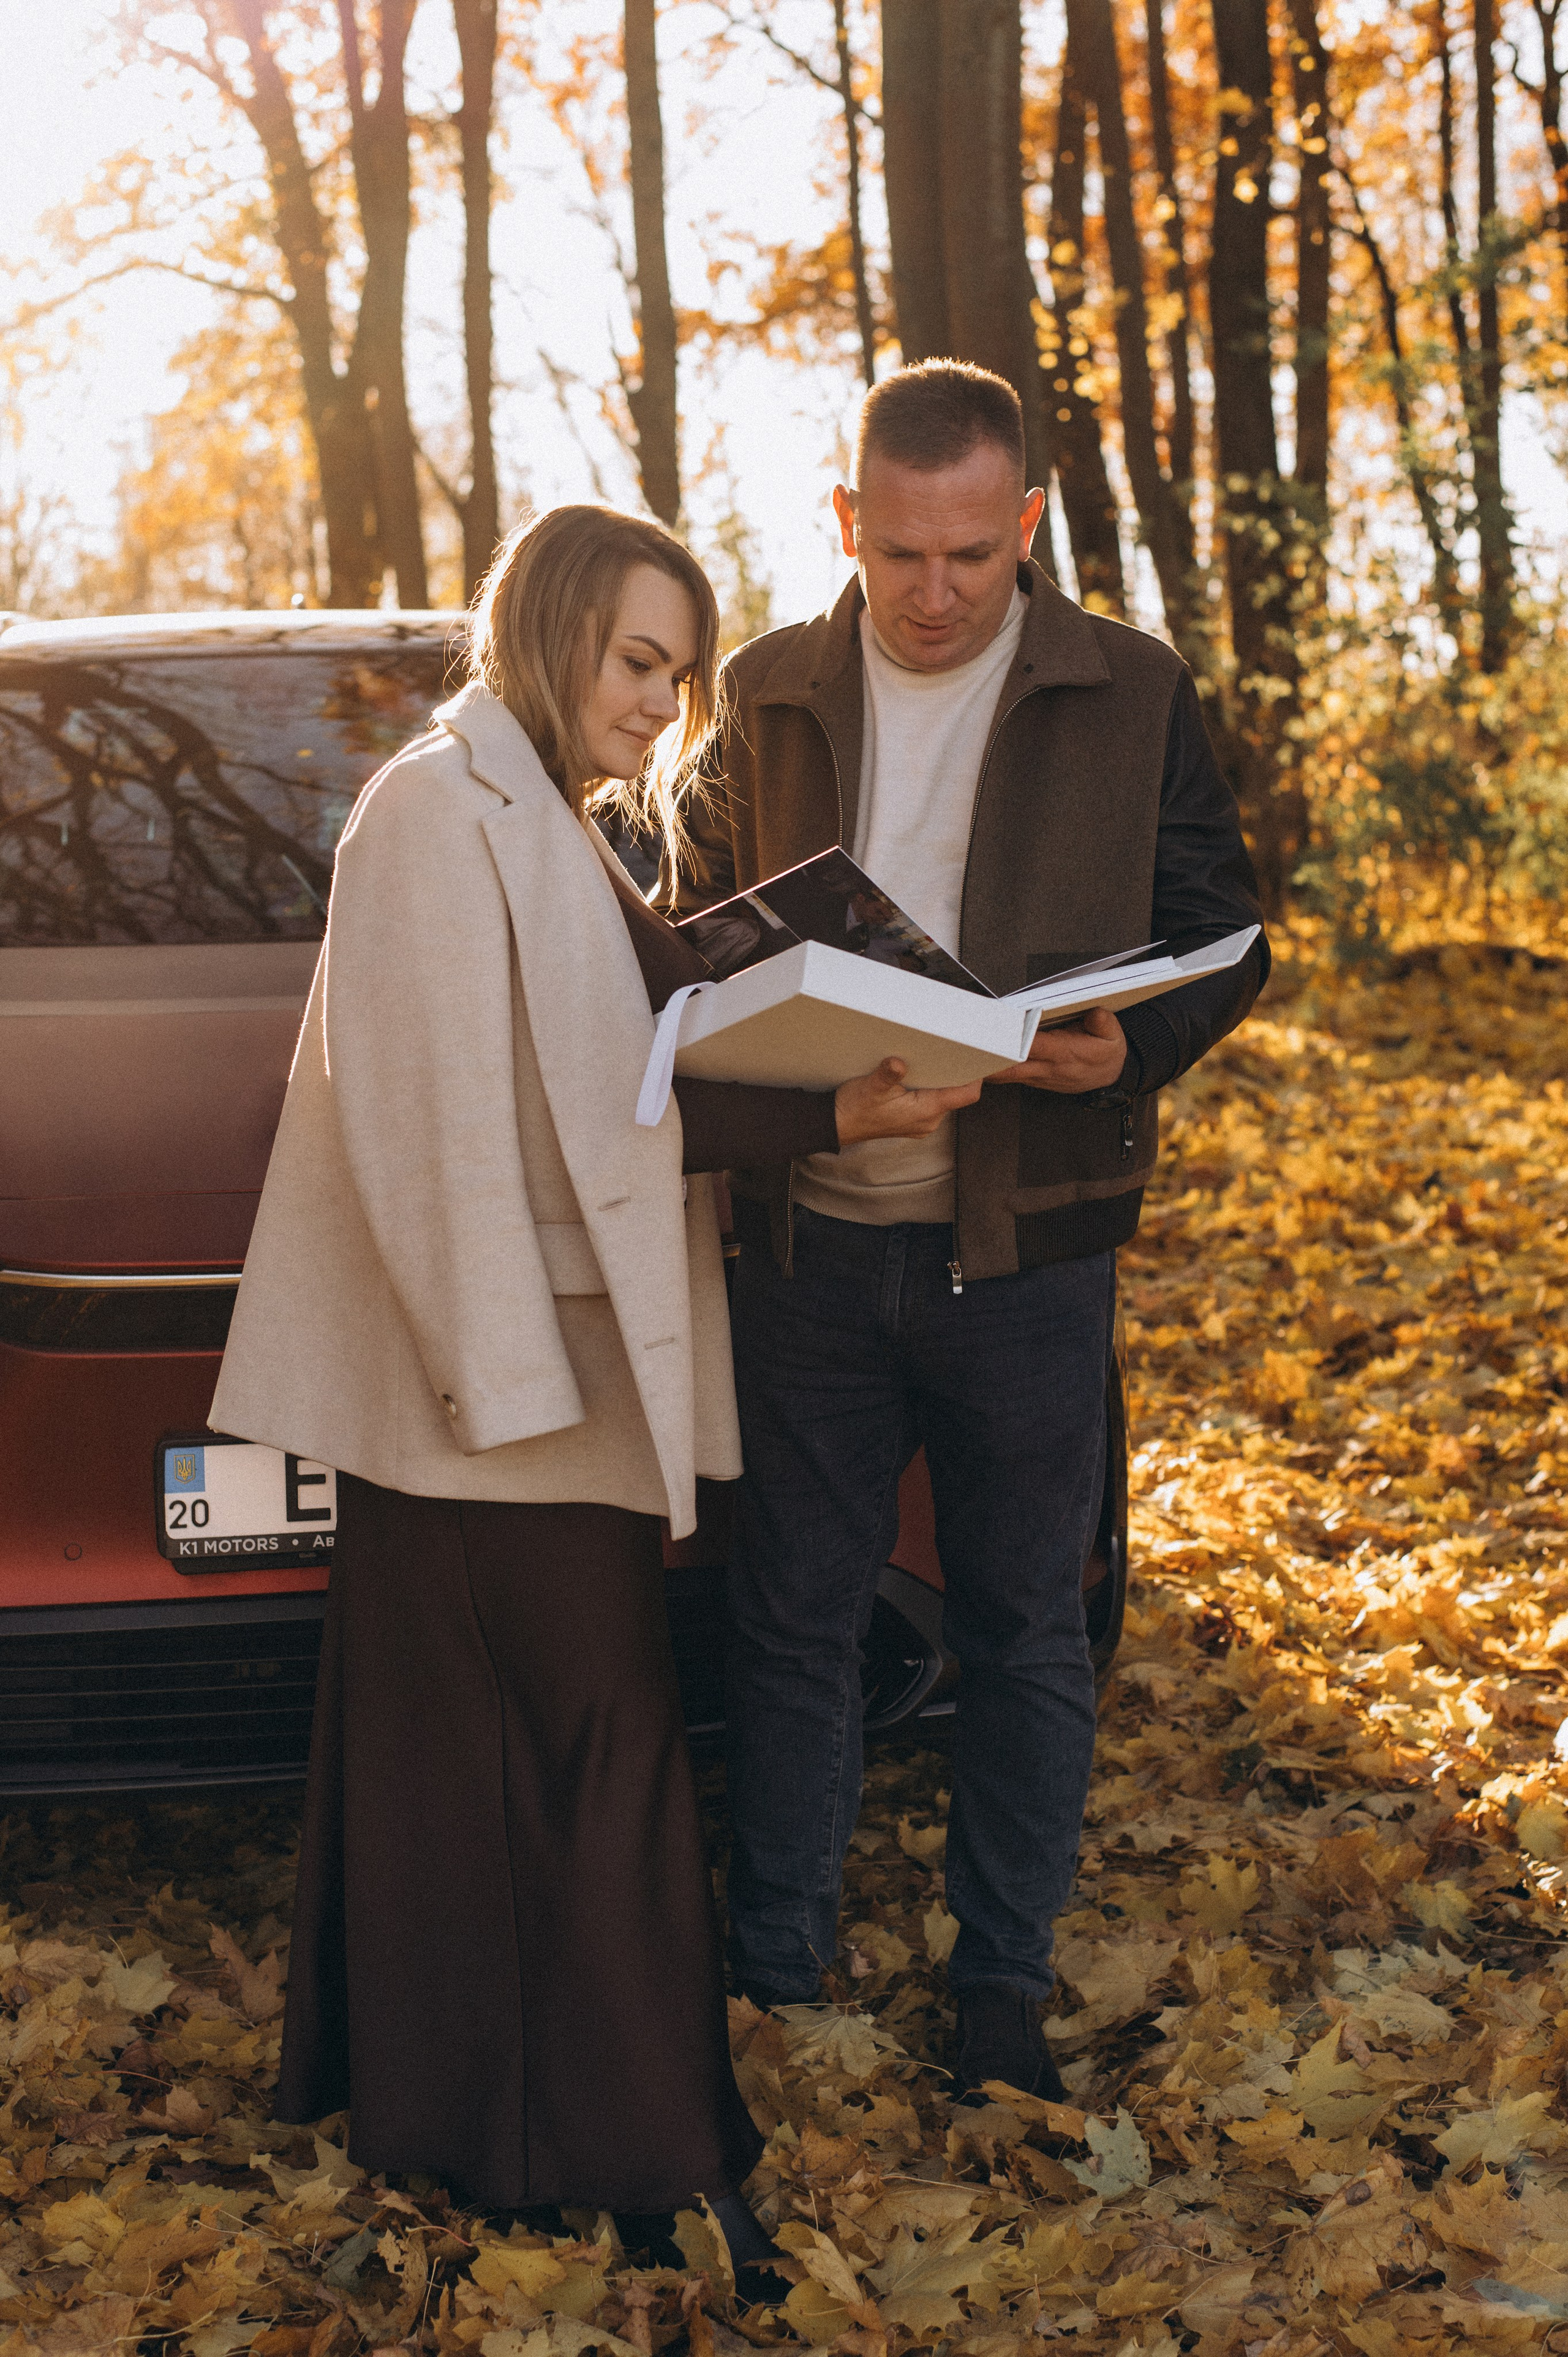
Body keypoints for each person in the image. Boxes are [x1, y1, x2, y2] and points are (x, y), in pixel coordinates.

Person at [210, 505, 977, 2265]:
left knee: (483, 1759)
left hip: (541, 1384)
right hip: (495, 1398)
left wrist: (836, 1099)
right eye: (640, 661)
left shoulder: (544, 818)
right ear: (549, 631)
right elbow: (420, 1134)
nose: (663, 704)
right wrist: (498, 1392)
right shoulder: (431, 810)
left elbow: (634, 1081)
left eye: (679, 673)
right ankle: (656, 2147)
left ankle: (472, 2119)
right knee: (599, 1752)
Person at [668, 362, 1269, 2103]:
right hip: (809, 1243)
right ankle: (776, 1971)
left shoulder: (1130, 687)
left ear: (1023, 527)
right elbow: (691, 942)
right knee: (790, 1620)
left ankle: (1000, 1985)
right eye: (900, 552)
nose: (933, 596)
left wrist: (1125, 1044)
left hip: (1030, 1248)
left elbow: (1223, 930)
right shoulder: (764, 690)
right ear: (848, 522)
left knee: (1027, 1624)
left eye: (972, 558)